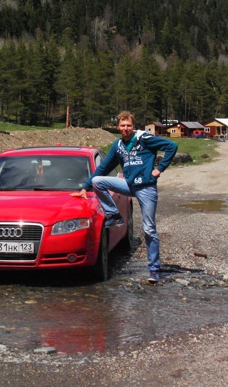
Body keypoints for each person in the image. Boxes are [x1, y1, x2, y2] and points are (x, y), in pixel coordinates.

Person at [71, 111, 177, 283]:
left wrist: (160, 168)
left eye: (128, 125)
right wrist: (85, 187)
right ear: (118, 126)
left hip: (146, 188)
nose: (125, 128)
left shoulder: (144, 138)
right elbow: (103, 168)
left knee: (149, 229)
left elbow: (172, 146)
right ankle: (113, 215)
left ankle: (154, 270)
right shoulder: (118, 145)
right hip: (128, 185)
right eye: (122, 125)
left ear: (133, 126)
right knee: (99, 181)